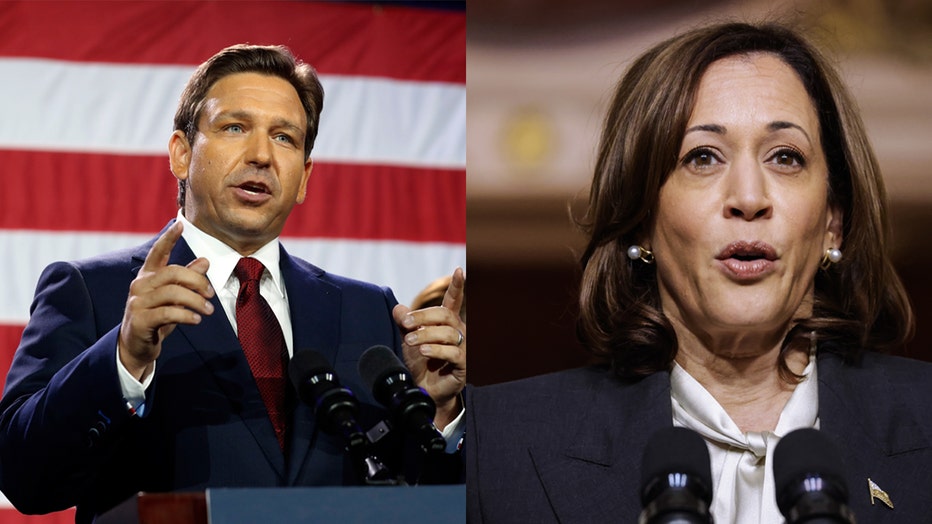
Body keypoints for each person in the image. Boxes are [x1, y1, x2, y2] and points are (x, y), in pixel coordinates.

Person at [466, 22, 932, 523]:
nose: (749, 198)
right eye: (703, 157)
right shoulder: (495, 443)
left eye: (785, 157)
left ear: (832, 223)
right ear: (642, 219)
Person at [0, 44, 466, 522]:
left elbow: (414, 499)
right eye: (235, 127)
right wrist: (124, 359)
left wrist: (439, 413)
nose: (262, 155)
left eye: (285, 137)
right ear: (181, 154)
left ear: (304, 177)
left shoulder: (370, 311)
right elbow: (24, 478)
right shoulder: (93, 291)